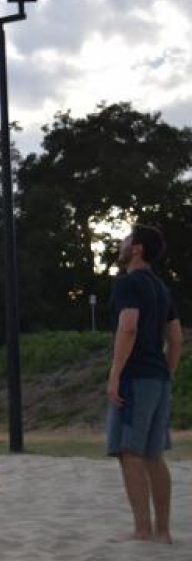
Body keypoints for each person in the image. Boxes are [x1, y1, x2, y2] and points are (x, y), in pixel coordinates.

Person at [105, 225, 181, 544]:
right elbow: (176, 339)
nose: (121, 244)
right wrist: (167, 374)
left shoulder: (128, 283)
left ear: (136, 249)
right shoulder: (161, 288)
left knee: (129, 452)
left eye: (126, 239)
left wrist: (115, 375)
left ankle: (142, 530)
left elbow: (128, 327)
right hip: (158, 379)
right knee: (153, 455)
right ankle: (162, 531)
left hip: (135, 377)